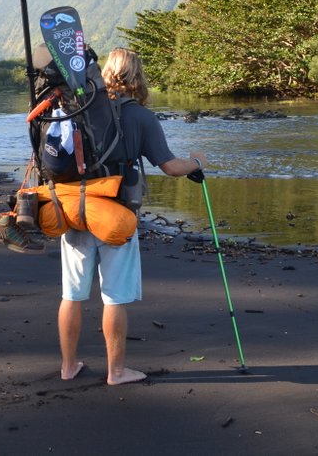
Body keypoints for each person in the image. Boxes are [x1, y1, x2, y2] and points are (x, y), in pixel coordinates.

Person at [58, 47, 207, 386]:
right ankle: (117, 371)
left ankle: (68, 367)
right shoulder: (140, 116)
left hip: (76, 209)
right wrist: (198, 162)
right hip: (117, 214)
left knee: (72, 294)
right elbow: (170, 166)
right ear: (138, 75)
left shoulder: (78, 110)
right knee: (114, 296)